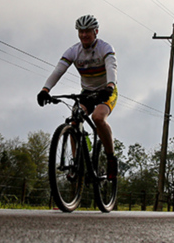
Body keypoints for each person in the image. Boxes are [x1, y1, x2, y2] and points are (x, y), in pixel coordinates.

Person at [37, 15, 119, 178]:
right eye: (81, 32)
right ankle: (77, 163)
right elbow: (59, 70)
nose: (84, 35)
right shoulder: (74, 51)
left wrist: (110, 86)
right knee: (74, 119)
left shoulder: (105, 47)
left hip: (106, 91)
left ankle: (111, 159)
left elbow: (112, 67)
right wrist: (45, 90)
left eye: (87, 31)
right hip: (87, 93)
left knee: (98, 118)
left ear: (95, 31)